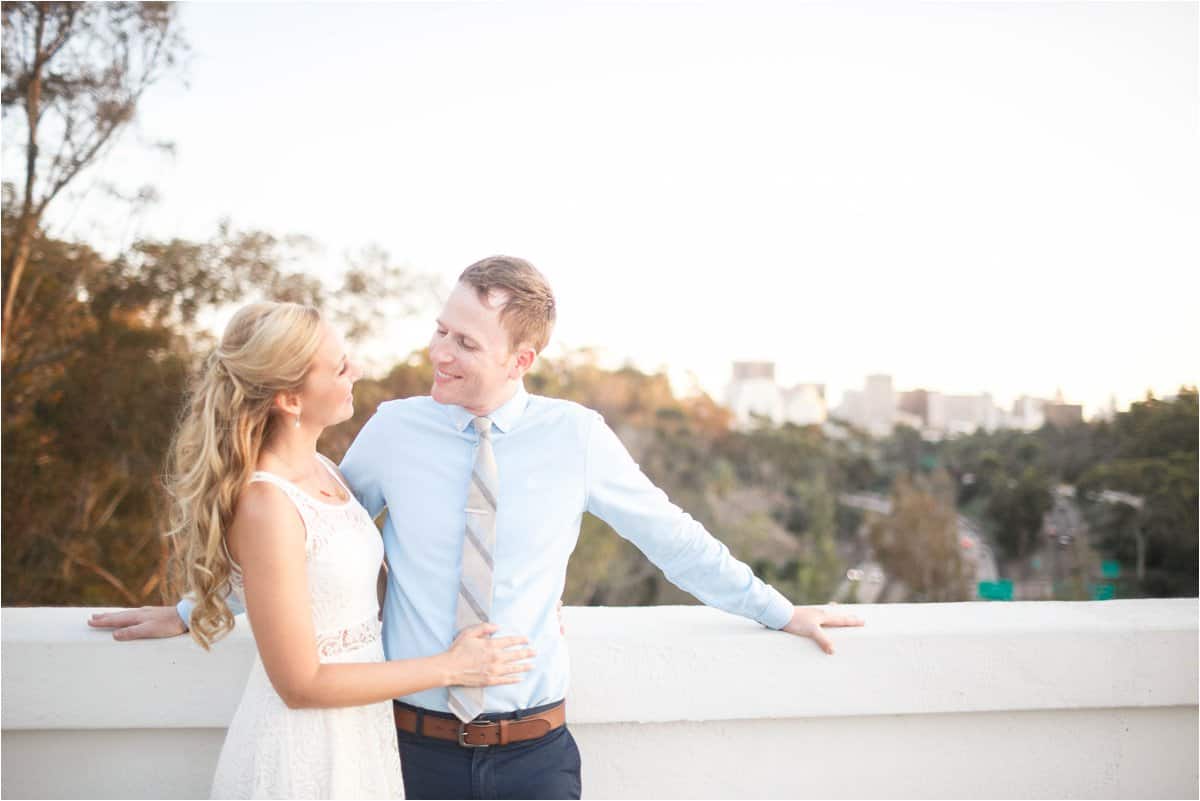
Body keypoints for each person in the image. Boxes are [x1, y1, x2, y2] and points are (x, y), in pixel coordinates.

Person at [91, 256, 864, 800]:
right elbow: (306, 540)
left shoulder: (577, 436)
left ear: (522, 357)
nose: (439, 353)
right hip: (405, 752)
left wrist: (781, 608)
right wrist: (194, 608)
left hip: (536, 757)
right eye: (441, 330)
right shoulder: (393, 430)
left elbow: (674, 538)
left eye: (466, 342)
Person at [141, 301, 533, 799]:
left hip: (361, 735)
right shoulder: (266, 503)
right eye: (340, 366)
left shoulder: (324, 469)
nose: (358, 370)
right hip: (305, 749)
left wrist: (517, 595)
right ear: (289, 398)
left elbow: (320, 577)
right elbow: (299, 684)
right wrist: (453, 667)